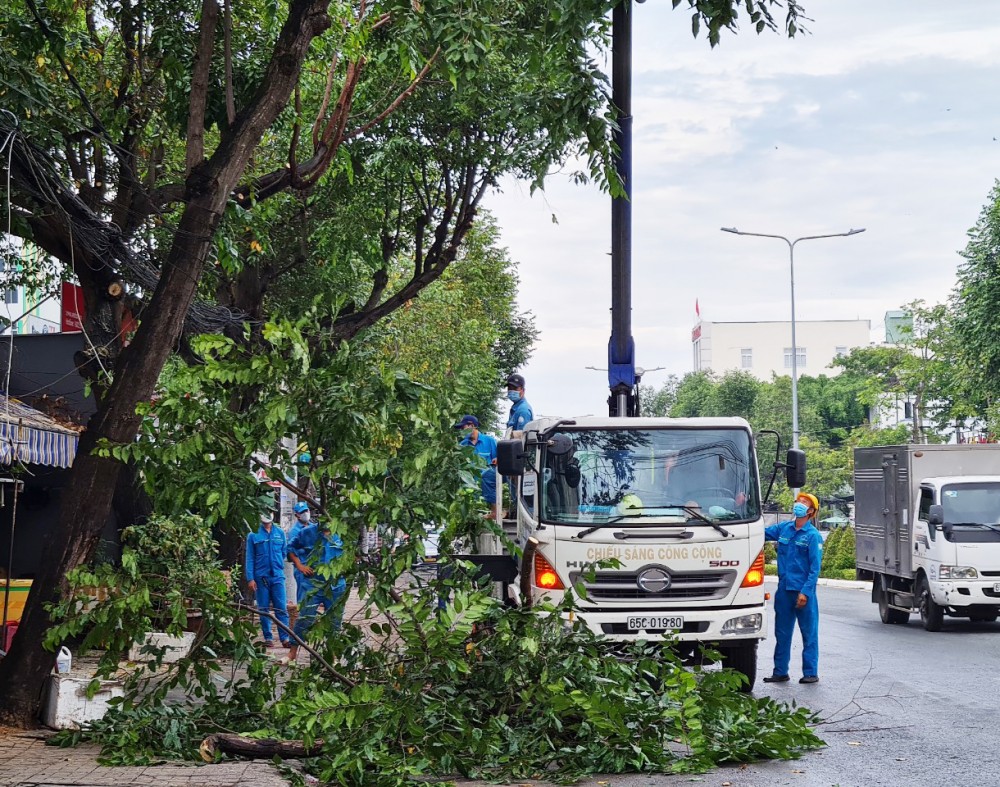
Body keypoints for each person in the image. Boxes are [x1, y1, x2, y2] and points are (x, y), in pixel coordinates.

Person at [763, 492, 823, 684]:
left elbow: (815, 568)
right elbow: (761, 533)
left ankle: (810, 673)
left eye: (804, 502)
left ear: (811, 511)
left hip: (803, 592)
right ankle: (780, 671)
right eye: (799, 501)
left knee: (809, 634)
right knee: (782, 633)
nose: (799, 504)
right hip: (784, 591)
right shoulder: (784, 529)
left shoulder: (813, 536)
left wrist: (805, 592)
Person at [285, 519, 347, 662]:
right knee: (304, 619)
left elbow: (353, 554)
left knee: (335, 622)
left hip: (336, 585)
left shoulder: (343, 532)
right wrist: (299, 565)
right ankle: (292, 652)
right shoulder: (307, 532)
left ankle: (331, 656)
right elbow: (290, 548)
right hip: (312, 584)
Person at [245, 513, 291, 648]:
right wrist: (250, 578)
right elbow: (250, 558)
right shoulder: (253, 534)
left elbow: (283, 552)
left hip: (277, 575)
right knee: (263, 608)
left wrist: (276, 565)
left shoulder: (280, 533)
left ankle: (285, 638)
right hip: (261, 577)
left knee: (281, 608)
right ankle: (268, 637)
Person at [455, 414, 499, 519]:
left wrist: (497, 460)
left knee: (487, 476)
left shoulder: (489, 441)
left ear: (471, 426)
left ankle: (495, 511)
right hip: (471, 481)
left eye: (463, 427)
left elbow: (499, 459)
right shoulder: (462, 445)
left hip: (489, 476)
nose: (461, 430)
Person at [287, 501, 313, 604]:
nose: (305, 513)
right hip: (302, 568)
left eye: (306, 510)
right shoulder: (294, 531)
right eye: (302, 512)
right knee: (303, 598)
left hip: (314, 567)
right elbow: (290, 551)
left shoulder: (313, 527)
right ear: (297, 515)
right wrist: (300, 566)